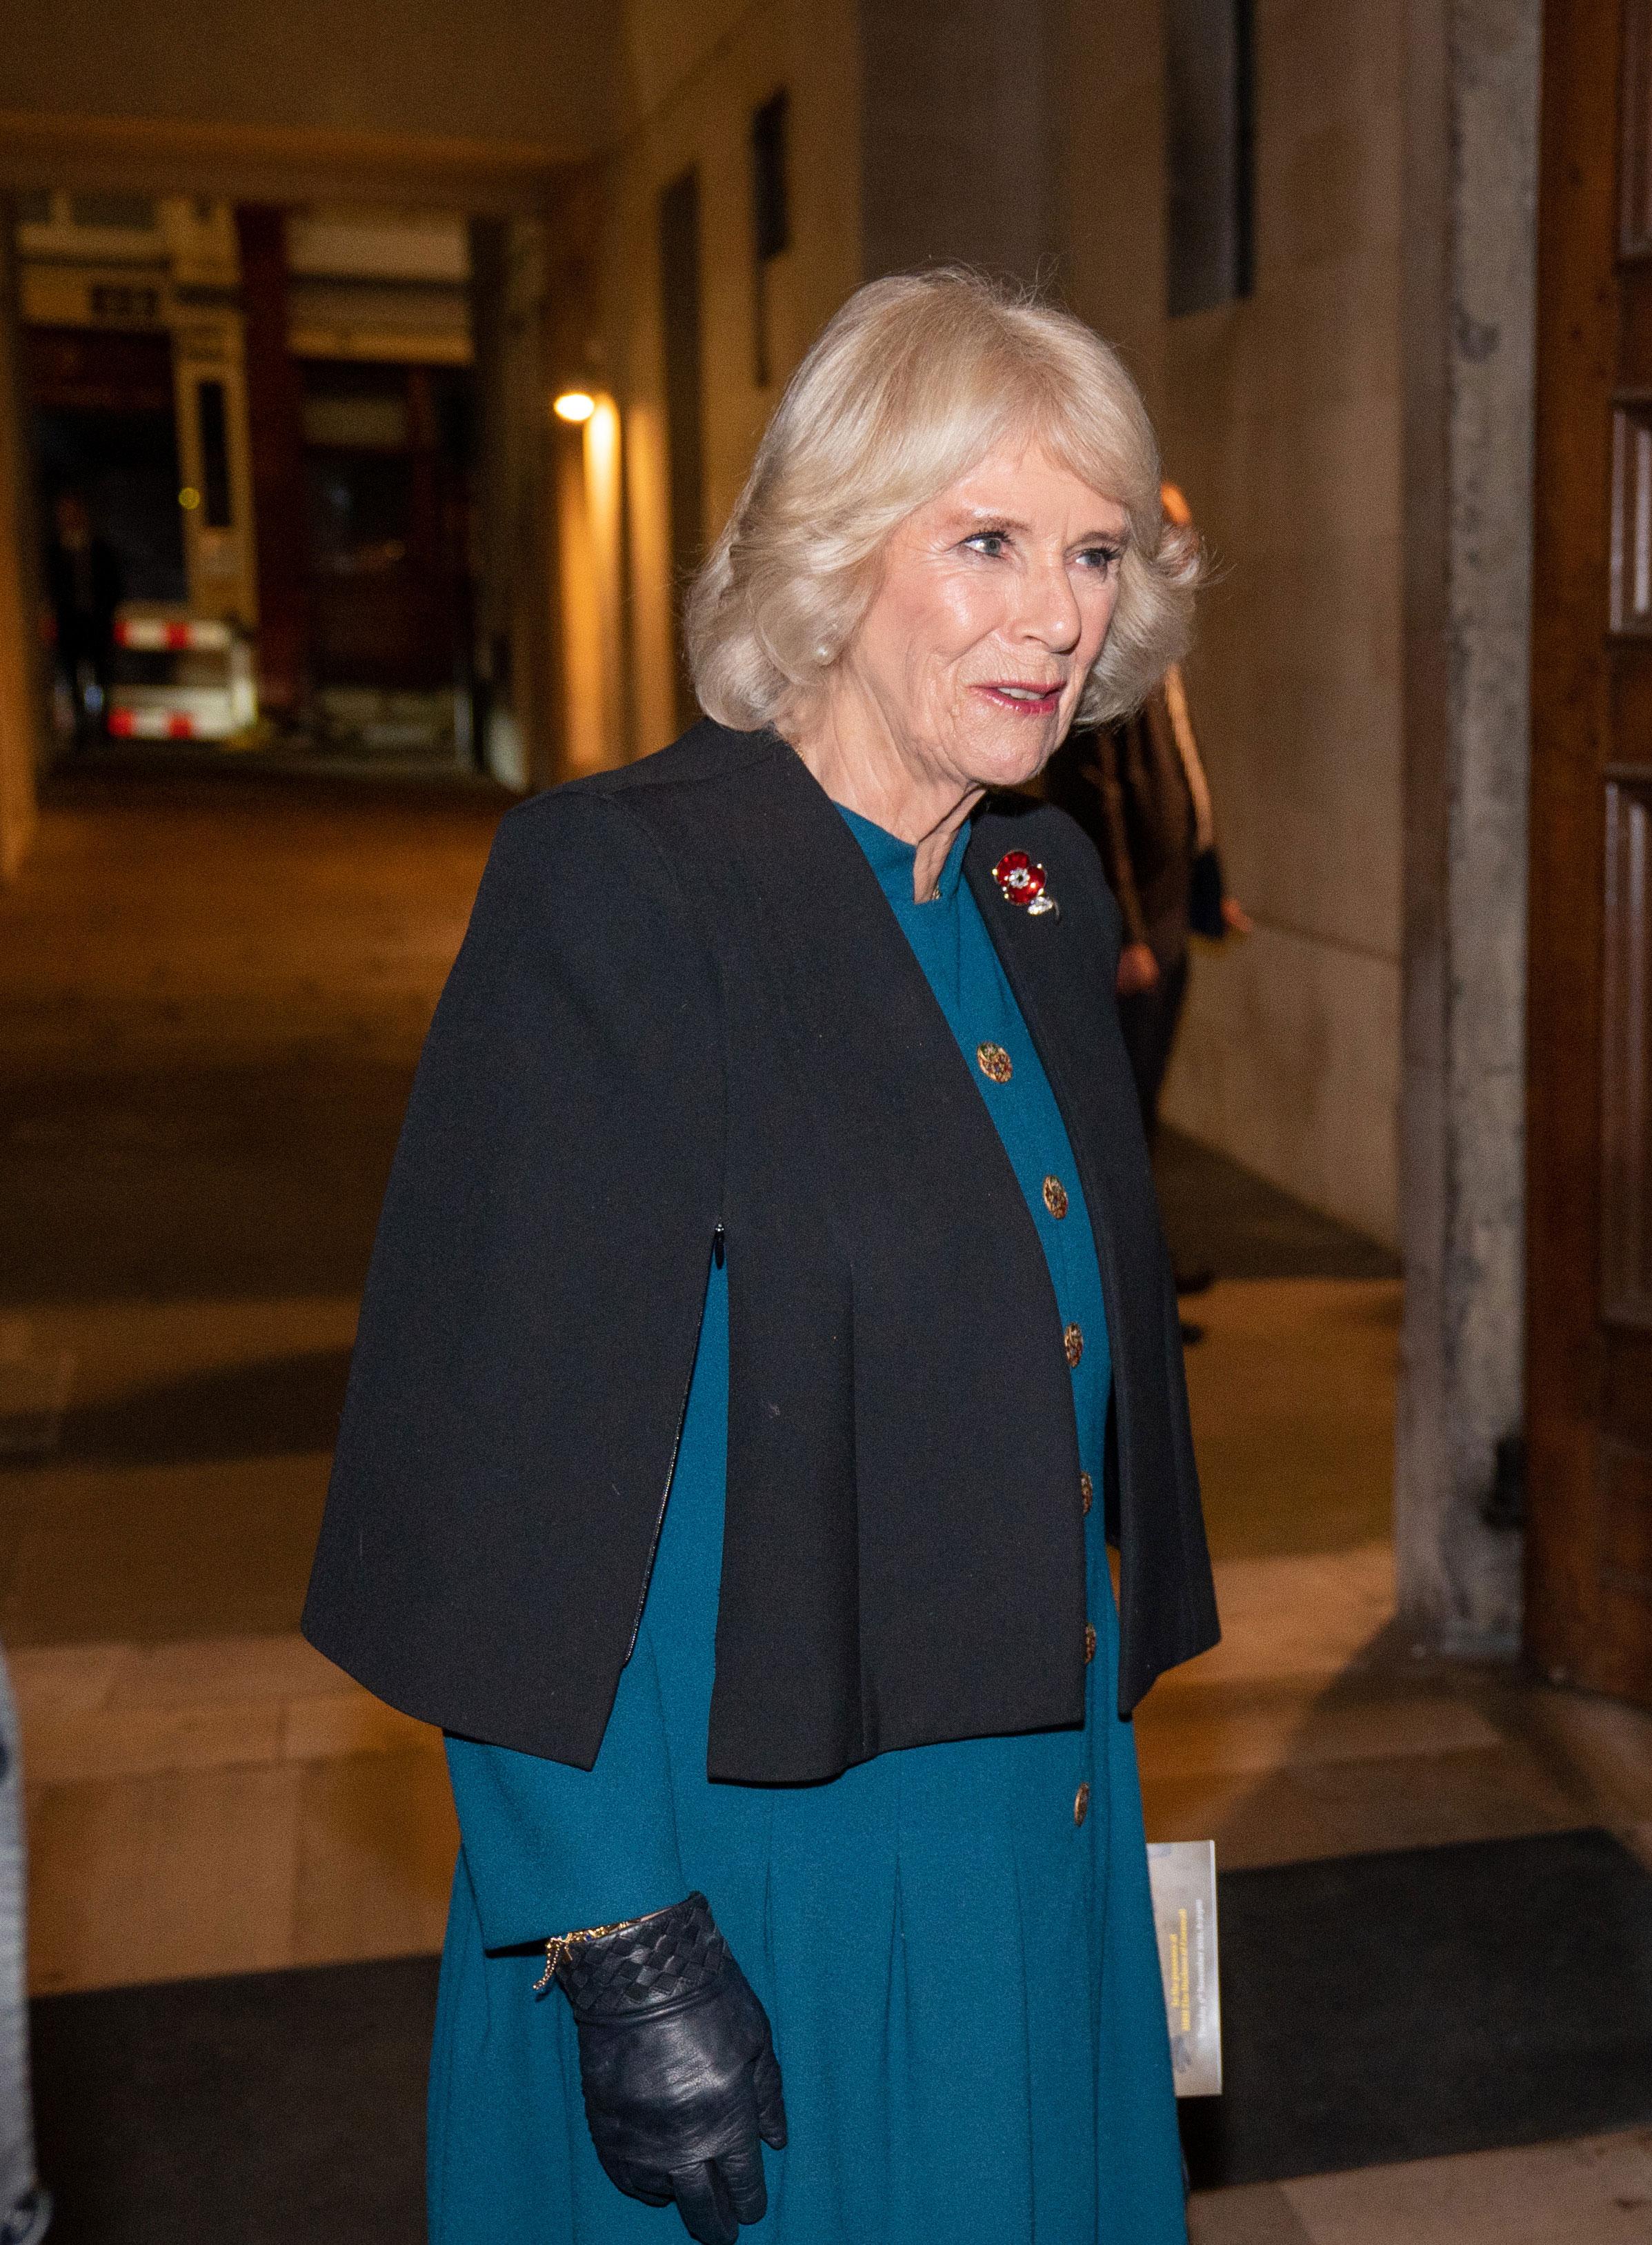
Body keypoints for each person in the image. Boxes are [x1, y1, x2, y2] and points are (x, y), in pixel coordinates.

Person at [303, 268, 1220, 2243]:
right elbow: (499, 1466)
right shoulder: (626, 883)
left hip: (1023, 1833)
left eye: (1086, 551)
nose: (1055, 614)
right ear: (832, 551)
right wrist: (615, 1931)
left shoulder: (1034, 894)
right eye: (982, 539)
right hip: (746, 1872)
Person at [1044, 482, 1251, 1330]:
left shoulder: (1164, 651)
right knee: (1119, 1117)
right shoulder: (1107, 662)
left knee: (1145, 1106)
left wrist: (1210, 892)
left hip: (1171, 916)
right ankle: (1126, 1299)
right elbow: (1100, 805)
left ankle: (1147, 1273)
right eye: (1174, 534)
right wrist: (1124, 932)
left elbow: (1184, 786)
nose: (1189, 548)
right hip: (1137, 932)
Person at [39, 491, 119, 746]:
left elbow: (113, 584)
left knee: (101, 674)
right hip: (70, 624)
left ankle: (104, 727)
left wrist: (106, 611)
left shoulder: (99, 549)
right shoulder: (54, 553)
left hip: (96, 622)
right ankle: (81, 730)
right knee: (72, 676)